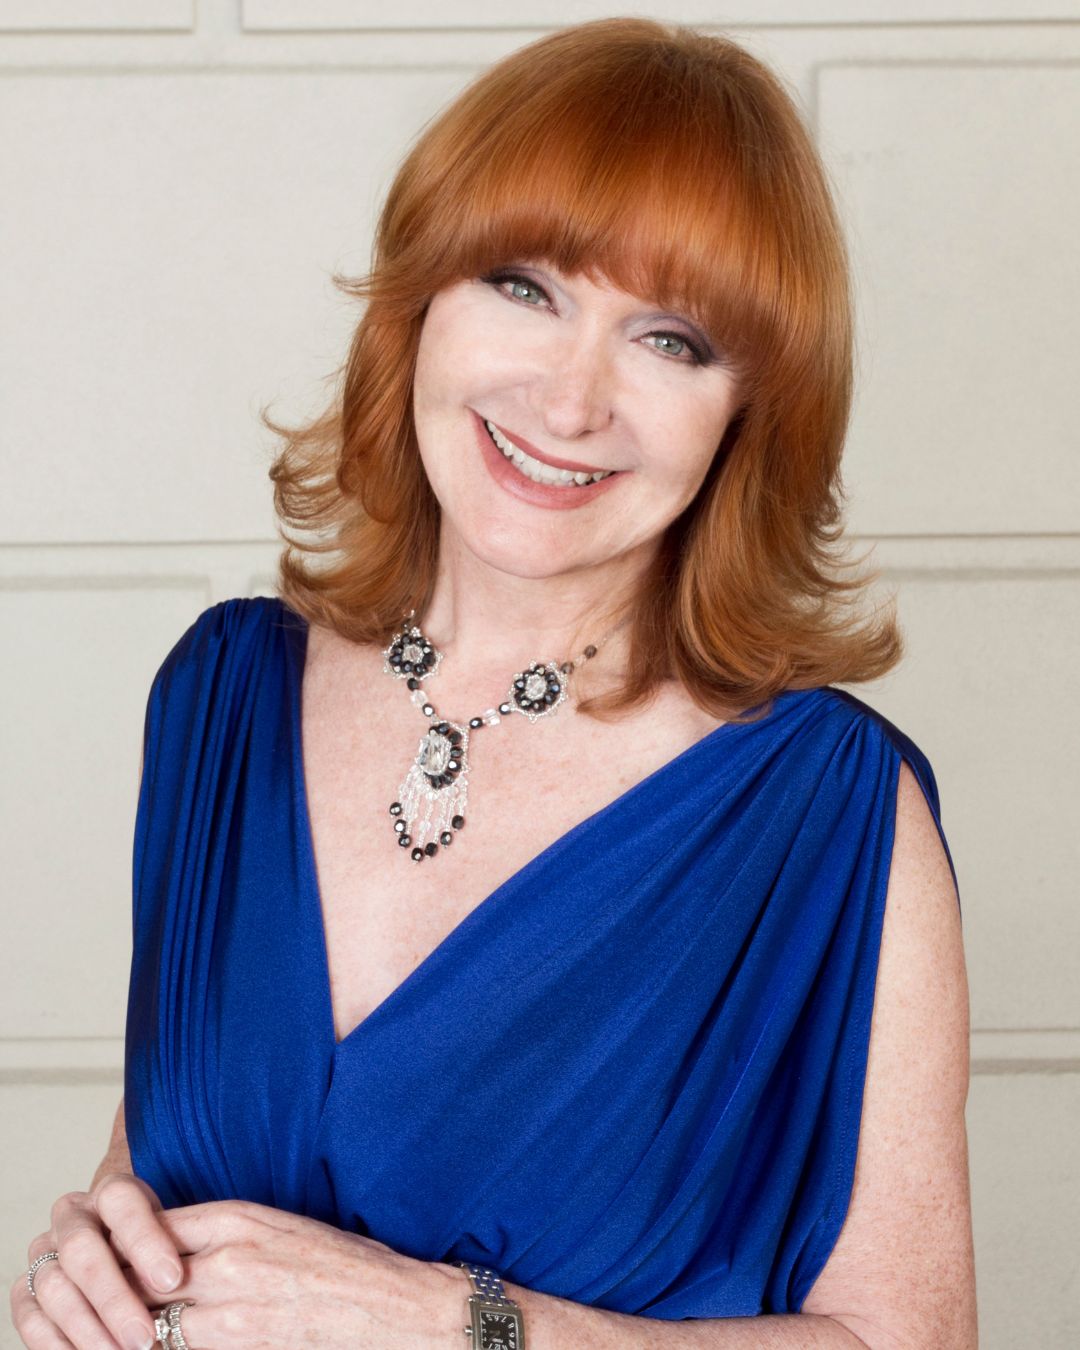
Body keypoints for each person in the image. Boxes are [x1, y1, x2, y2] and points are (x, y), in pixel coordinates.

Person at [13, 16, 978, 1350]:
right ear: (418, 306)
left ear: (750, 415)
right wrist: (93, 1272)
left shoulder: (833, 813)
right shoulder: (219, 700)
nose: (571, 400)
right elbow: (161, 1194)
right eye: (524, 287)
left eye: (672, 341)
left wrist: (457, 1324)